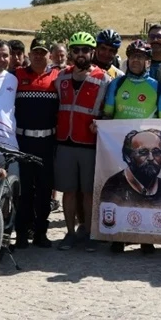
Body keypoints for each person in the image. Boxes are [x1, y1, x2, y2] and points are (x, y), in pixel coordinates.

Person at [55, 32, 112, 252]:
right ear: (71, 52)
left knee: (88, 192)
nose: (81, 54)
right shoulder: (61, 77)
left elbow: (110, 110)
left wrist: (102, 122)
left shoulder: (104, 78)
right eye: (76, 50)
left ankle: (89, 233)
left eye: (85, 50)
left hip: (89, 143)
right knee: (68, 192)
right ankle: (69, 234)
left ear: (92, 52)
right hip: (65, 142)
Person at [14, 38, 60, 249]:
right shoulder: (18, 76)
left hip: (47, 142)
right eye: (35, 52)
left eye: (43, 52)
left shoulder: (57, 77)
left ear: (49, 55)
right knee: (24, 190)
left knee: (44, 189)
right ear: (29, 54)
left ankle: (41, 232)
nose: (39, 56)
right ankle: (22, 233)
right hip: (23, 141)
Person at [99, 128, 161, 210]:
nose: (151, 158)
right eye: (143, 152)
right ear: (128, 157)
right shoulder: (114, 186)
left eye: (156, 152)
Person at [103, 39, 161, 121]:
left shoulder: (159, 88)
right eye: (132, 56)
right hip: (119, 133)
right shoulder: (116, 83)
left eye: (140, 56)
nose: (135, 60)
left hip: (145, 133)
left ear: (148, 62)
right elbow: (107, 116)